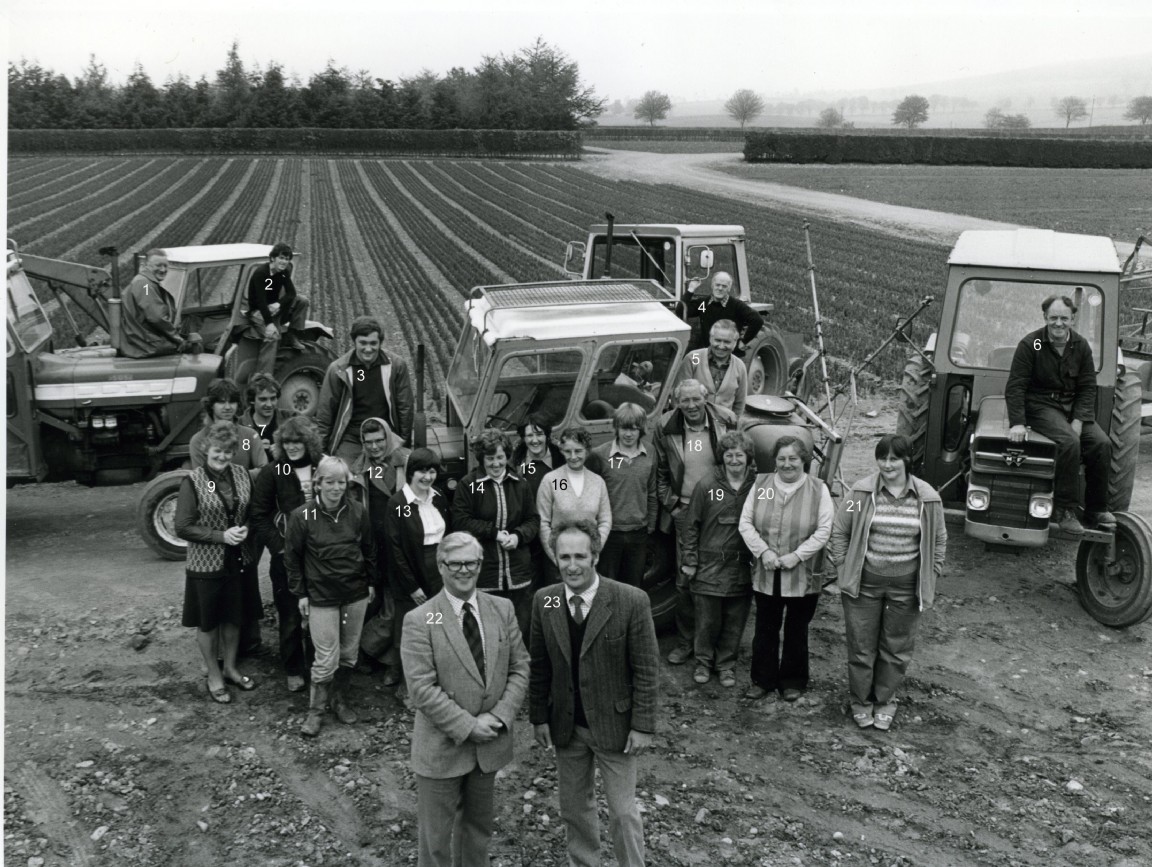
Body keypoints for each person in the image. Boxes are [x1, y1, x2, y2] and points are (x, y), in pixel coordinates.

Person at [530, 520, 659, 867]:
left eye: (580, 556)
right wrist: (539, 716)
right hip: (567, 726)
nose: (572, 565)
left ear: (596, 556)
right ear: (555, 558)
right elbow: (540, 665)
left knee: (622, 812)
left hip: (616, 729)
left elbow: (647, 669)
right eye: (564, 557)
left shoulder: (631, 601)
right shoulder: (545, 601)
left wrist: (643, 725)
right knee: (574, 807)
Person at [400, 532, 530, 867]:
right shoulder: (422, 618)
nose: (463, 570)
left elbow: (520, 667)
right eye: (455, 563)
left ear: (480, 564)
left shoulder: (501, 608)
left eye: (470, 563)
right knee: (436, 843)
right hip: (442, 750)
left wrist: (501, 717)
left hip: (488, 746)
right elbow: (421, 689)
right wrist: (468, 725)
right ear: (441, 566)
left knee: (477, 832)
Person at [827, 434, 947, 732]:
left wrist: (933, 571)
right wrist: (844, 567)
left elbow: (939, 538)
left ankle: (885, 701)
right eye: (882, 458)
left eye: (894, 458)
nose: (887, 464)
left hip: (906, 587)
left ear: (907, 460)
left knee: (896, 647)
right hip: (863, 585)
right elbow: (840, 530)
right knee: (861, 646)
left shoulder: (927, 497)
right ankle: (860, 701)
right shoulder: (861, 493)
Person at [285, 456, 378, 737]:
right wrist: (300, 593)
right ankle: (315, 712)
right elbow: (292, 558)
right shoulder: (302, 516)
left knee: (349, 654)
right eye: (330, 482)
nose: (336, 488)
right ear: (318, 483)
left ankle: (340, 701)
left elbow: (371, 551)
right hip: (321, 596)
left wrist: (371, 583)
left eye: (342, 482)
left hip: (354, 594)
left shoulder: (358, 512)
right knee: (326, 657)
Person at [1005, 295, 1113, 534]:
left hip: (1071, 407)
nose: (1058, 323)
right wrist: (1018, 423)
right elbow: (1016, 386)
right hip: (1041, 406)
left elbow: (1087, 387)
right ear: (1045, 317)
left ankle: (1096, 508)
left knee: (1101, 444)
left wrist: (1078, 419)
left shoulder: (1080, 346)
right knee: (1069, 442)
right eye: (1053, 318)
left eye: (1064, 318)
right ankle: (1064, 509)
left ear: (1072, 319)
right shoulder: (1033, 344)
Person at [738, 436, 834, 702]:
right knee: (765, 627)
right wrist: (764, 551)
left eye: (793, 458)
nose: (787, 464)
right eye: (781, 458)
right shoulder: (763, 485)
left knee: (796, 628)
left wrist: (797, 556)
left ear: (803, 459)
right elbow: (746, 522)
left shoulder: (818, 489)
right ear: (775, 460)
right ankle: (762, 680)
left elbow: (825, 529)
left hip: (802, 572)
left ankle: (792, 681)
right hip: (767, 568)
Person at [653, 379, 738, 665]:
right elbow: (661, 473)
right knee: (685, 579)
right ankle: (686, 641)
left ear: (706, 399)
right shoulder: (665, 427)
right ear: (677, 403)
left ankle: (716, 647)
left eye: (695, 400)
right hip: (686, 508)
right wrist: (674, 507)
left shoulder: (726, 419)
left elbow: (738, 462)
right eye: (684, 401)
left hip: (719, 508)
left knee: (721, 577)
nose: (690, 406)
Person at [175, 421, 260, 704]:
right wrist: (221, 536)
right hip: (206, 565)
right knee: (209, 622)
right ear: (205, 450)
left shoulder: (242, 475)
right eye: (216, 452)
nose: (222, 457)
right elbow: (183, 526)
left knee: (234, 617)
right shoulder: (193, 481)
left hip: (238, 560)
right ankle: (214, 674)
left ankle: (231, 668)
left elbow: (251, 510)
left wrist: (245, 527)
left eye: (227, 451)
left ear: (234, 451)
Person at [250, 416, 323, 694]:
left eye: (298, 441)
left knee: (321, 611)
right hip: (286, 556)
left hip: (319, 555)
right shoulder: (273, 471)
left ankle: (320, 665)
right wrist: (278, 546)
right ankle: (293, 668)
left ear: (309, 442)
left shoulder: (322, 466)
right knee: (290, 614)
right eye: (287, 442)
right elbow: (258, 515)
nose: (292, 447)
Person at [681, 431, 756, 688]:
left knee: (735, 620)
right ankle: (703, 662)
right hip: (709, 565)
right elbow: (690, 525)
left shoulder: (758, 487)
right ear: (721, 458)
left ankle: (726, 665)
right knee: (707, 620)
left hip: (743, 565)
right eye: (728, 455)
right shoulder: (706, 485)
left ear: (748, 457)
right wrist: (690, 559)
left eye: (739, 455)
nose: (734, 460)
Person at [451, 429, 540, 644]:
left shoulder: (520, 483)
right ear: (481, 458)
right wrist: (494, 533)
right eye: (490, 458)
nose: (496, 463)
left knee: (520, 631)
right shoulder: (469, 484)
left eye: (500, 457)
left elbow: (533, 519)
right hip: (486, 571)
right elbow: (460, 521)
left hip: (518, 572)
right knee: (490, 634)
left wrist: (518, 536)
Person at [382, 448, 451, 688]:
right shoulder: (398, 504)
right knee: (408, 629)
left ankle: (431, 679)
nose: (427, 476)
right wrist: (412, 586)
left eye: (432, 471)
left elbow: (448, 536)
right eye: (422, 471)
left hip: (438, 573)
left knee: (435, 624)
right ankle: (403, 681)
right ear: (411, 472)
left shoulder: (439, 497)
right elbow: (395, 549)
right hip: (411, 572)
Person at [316, 315, 414, 461]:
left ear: (380, 342)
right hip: (352, 437)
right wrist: (322, 453)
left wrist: (403, 444)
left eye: (373, 343)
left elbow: (405, 408)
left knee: (390, 477)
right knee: (345, 477)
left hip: (385, 434)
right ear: (354, 342)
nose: (368, 349)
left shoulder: (396, 366)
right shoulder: (338, 370)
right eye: (363, 343)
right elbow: (325, 413)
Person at [592, 403, 658, 586]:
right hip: (609, 533)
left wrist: (650, 525)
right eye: (624, 428)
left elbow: (652, 491)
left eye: (634, 429)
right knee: (607, 585)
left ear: (641, 430)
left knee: (633, 586)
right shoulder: (600, 454)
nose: (628, 434)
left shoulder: (650, 452)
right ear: (616, 428)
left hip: (639, 533)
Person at [537, 426, 612, 582]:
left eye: (578, 451)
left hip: (587, 559)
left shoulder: (597, 482)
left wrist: (595, 551)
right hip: (558, 562)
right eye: (567, 451)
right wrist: (555, 556)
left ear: (587, 451)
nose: (573, 457)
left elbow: (605, 520)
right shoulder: (551, 480)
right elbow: (543, 521)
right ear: (562, 451)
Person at [512, 413, 563, 588]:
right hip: (528, 538)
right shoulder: (515, 464)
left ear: (547, 435)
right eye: (529, 435)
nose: (535, 440)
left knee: (556, 586)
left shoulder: (561, 460)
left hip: (555, 534)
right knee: (531, 587)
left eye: (539, 434)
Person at [245, 242, 311, 372]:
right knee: (272, 337)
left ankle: (292, 334)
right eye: (281, 258)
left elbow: (292, 293)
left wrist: (278, 304)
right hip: (258, 312)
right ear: (272, 258)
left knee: (302, 301)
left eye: (287, 259)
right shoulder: (261, 274)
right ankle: (263, 380)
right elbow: (261, 301)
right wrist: (269, 324)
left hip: (274, 309)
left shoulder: (283, 273)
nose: (284, 262)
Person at [189, 379, 269, 474]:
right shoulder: (198, 440)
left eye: (232, 402)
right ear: (211, 405)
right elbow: (201, 478)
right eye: (221, 402)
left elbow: (264, 469)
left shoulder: (250, 435)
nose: (227, 407)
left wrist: (240, 479)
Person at [119, 249, 187, 359]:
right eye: (158, 265)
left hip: (144, 341)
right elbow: (156, 316)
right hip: (148, 344)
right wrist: (178, 339)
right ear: (145, 265)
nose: (163, 269)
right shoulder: (145, 285)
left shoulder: (143, 282)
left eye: (166, 266)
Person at [677, 319, 749, 416]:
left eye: (727, 342)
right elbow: (678, 395)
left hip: (723, 425)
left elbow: (740, 403)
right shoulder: (694, 358)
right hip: (694, 424)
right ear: (711, 338)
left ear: (735, 343)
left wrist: (733, 424)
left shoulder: (739, 366)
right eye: (718, 340)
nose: (721, 346)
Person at [684, 270, 763, 353]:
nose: (720, 288)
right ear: (712, 285)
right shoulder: (704, 304)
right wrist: (691, 289)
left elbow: (757, 320)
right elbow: (682, 311)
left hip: (728, 353)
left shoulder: (736, 306)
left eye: (724, 286)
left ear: (729, 288)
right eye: (717, 285)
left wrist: (743, 342)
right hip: (708, 352)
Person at [240, 372, 289, 460]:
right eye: (263, 399)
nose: (269, 404)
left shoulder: (290, 420)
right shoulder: (239, 425)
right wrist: (253, 450)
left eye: (273, 398)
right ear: (252, 400)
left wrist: (284, 451)